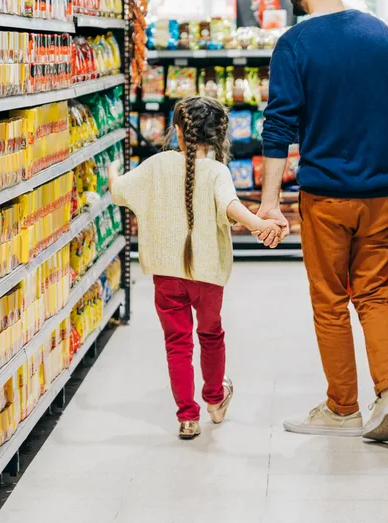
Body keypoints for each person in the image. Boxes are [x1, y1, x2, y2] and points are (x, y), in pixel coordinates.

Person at [259, 0, 388, 443]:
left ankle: (342, 408)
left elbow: (279, 127)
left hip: (327, 197)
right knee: (375, 295)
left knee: (331, 301)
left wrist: (269, 203)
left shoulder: (296, 44)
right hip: (381, 197)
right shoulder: (381, 34)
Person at [109, 96, 284, 440]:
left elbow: (119, 191)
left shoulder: (156, 165)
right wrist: (258, 226)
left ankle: (187, 418)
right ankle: (215, 401)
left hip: (166, 274)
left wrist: (113, 171)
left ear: (177, 131)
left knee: (177, 343)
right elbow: (230, 206)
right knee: (211, 335)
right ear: (221, 134)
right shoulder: (218, 171)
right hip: (207, 276)